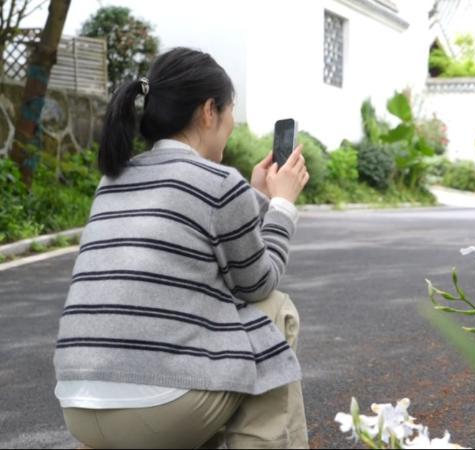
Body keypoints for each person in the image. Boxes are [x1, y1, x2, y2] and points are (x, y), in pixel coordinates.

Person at [53, 47, 310, 449]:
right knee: (274, 310)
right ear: (209, 111)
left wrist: (257, 198)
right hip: (158, 411)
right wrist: (282, 206)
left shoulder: (112, 181)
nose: (231, 124)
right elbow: (257, 283)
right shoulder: (220, 183)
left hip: (79, 407)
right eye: (230, 111)